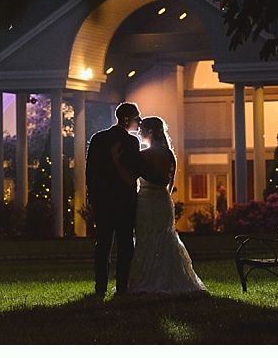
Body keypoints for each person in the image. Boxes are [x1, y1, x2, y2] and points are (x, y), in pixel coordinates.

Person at [120, 116, 207, 295]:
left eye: (142, 129)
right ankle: (171, 278)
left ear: (150, 132)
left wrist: (116, 160)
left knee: (146, 238)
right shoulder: (169, 155)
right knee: (166, 238)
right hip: (163, 201)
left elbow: (129, 178)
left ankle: (148, 279)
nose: (140, 132)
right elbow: (169, 185)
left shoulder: (144, 155)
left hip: (147, 202)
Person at [86, 102, 166, 297]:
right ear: (126, 119)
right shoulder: (130, 142)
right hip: (124, 201)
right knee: (124, 245)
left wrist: (94, 197)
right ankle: (122, 286)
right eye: (137, 119)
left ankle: (100, 287)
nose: (139, 123)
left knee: (103, 244)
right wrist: (159, 178)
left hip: (103, 201)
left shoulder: (98, 139)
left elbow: (90, 172)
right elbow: (135, 169)